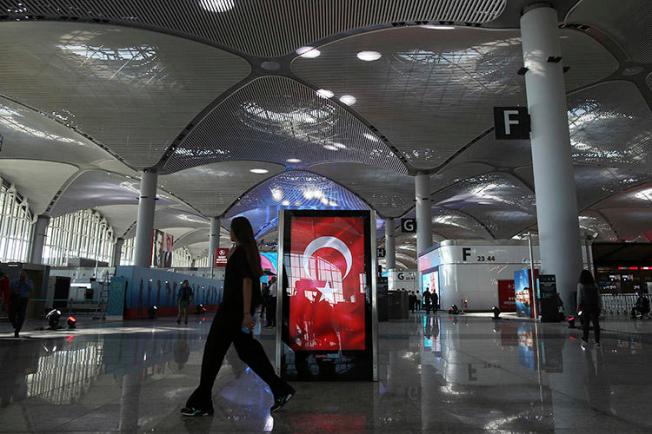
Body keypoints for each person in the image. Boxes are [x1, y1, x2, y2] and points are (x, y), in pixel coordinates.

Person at [182, 217, 294, 416]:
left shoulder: (242, 252)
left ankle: (201, 402)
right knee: (248, 352)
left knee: (213, 352)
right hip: (236, 311)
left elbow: (247, 282)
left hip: (232, 312)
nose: (230, 232)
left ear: (238, 231)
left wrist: (245, 314)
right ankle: (280, 389)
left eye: (232, 229)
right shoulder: (246, 251)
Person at [577, 270, 601, 348]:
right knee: (596, 324)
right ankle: (597, 341)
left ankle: (585, 340)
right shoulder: (594, 285)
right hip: (594, 306)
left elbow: (579, 297)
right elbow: (598, 297)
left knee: (586, 324)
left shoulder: (581, 285)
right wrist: (600, 306)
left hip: (585, 307)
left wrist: (578, 306)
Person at [9, 270, 32, 338]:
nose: (22, 275)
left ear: (26, 275)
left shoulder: (29, 281)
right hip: (15, 298)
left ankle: (17, 331)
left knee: (21, 316)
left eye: (23, 274)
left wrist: (24, 282)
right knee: (11, 314)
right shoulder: (14, 281)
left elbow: (30, 289)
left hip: (23, 299)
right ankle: (14, 324)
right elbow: (11, 288)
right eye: (21, 274)